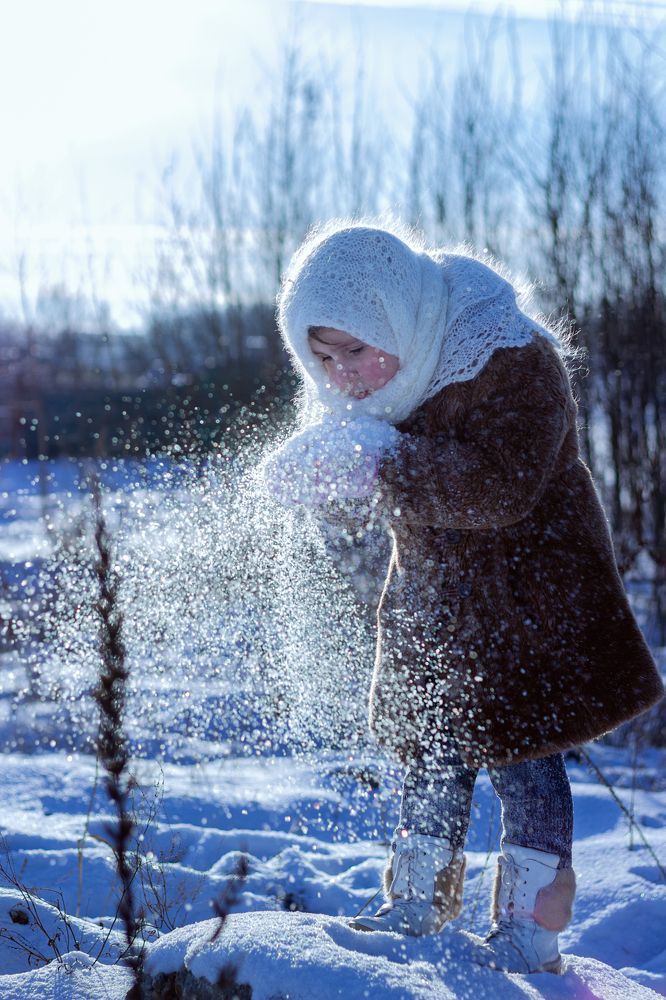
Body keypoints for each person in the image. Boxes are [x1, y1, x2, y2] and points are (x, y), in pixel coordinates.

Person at [261, 221, 664, 974]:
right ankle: (417, 904)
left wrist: (380, 467)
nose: (341, 374)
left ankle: (530, 931)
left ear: (394, 312)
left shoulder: (509, 356)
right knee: (430, 755)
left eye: (354, 348)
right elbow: (371, 485)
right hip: (434, 602)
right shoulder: (378, 381)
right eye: (321, 357)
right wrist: (321, 478)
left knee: (528, 763)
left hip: (531, 599)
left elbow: (500, 485)